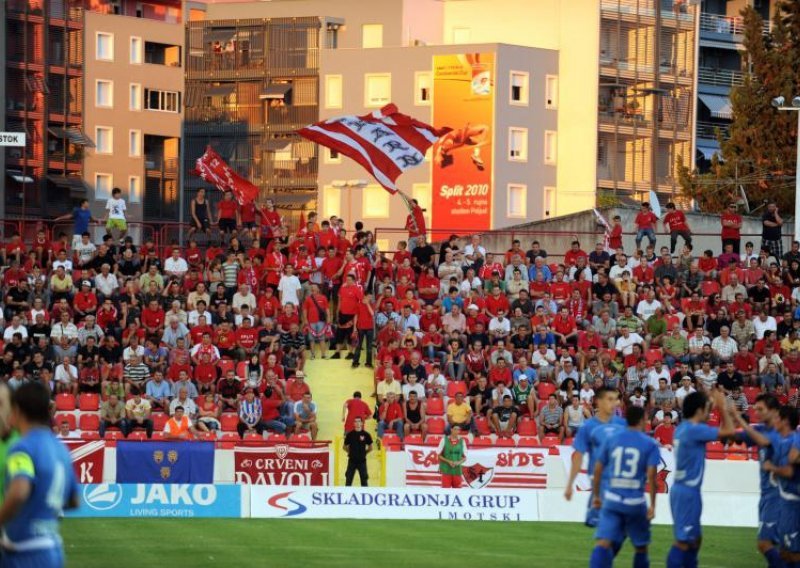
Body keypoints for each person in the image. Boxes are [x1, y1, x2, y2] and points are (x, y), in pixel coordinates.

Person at [0, 382, 78, 567]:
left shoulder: (22, 447)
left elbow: (19, 492)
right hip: (52, 546)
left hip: (23, 549)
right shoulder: (60, 448)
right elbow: (73, 500)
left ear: (16, 409)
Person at [666, 389, 735, 568]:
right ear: (699, 410)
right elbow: (728, 432)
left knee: (695, 539)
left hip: (685, 490)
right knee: (683, 540)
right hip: (687, 491)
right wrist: (722, 407)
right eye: (707, 408)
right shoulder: (694, 430)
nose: (709, 412)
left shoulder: (682, 428)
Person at [589, 405, 659, 568]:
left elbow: (598, 469)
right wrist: (653, 505)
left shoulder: (612, 439)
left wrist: (597, 496)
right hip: (635, 502)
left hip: (612, 500)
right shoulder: (650, 444)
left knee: (603, 542)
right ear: (642, 420)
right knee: (641, 547)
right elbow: (652, 477)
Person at [565, 387, 626, 528]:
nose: (614, 403)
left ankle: (593, 515)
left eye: (616, 399)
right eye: (610, 399)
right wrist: (570, 484)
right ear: (598, 402)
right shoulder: (588, 426)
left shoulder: (623, 425)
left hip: (621, 478)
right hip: (600, 477)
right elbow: (578, 456)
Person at [343, 417, 373, 487]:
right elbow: (344, 447)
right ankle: (347, 496)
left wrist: (364, 453)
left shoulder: (366, 435)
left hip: (362, 461)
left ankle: (365, 496)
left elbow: (370, 448)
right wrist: (350, 452)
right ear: (353, 423)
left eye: (359, 421)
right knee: (348, 481)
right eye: (355, 422)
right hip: (351, 461)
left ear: (362, 423)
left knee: (364, 482)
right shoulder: (350, 434)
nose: (357, 423)